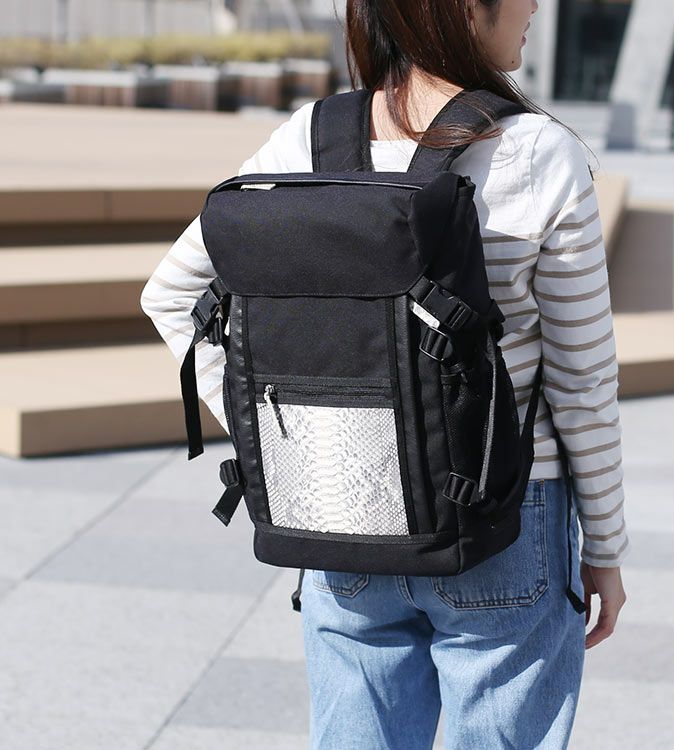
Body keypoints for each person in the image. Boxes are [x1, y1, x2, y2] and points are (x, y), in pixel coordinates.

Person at [140, 1, 631, 747]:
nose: (535, 4)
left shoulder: (310, 138)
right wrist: (606, 547)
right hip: (504, 512)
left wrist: (282, 444)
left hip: (340, 501)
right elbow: (582, 383)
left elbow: (172, 296)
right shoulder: (538, 152)